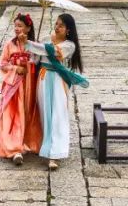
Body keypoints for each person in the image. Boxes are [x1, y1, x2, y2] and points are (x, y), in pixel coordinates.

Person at [26, 13, 88, 170]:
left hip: (59, 81)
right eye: (56, 24)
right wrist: (33, 52)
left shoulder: (69, 46)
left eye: (61, 25)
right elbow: (36, 59)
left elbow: (52, 51)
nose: (57, 27)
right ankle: (45, 146)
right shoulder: (46, 39)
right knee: (45, 113)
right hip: (43, 78)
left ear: (68, 29)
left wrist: (29, 44)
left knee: (58, 115)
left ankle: (55, 154)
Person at [0, 12, 42, 165]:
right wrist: (16, 68)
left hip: (30, 86)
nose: (17, 29)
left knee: (29, 113)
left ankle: (30, 142)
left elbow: (38, 62)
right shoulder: (9, 45)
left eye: (20, 26)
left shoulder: (34, 45)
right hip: (14, 86)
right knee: (14, 114)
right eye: (15, 26)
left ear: (28, 28)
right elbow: (3, 64)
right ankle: (14, 149)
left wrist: (30, 57)